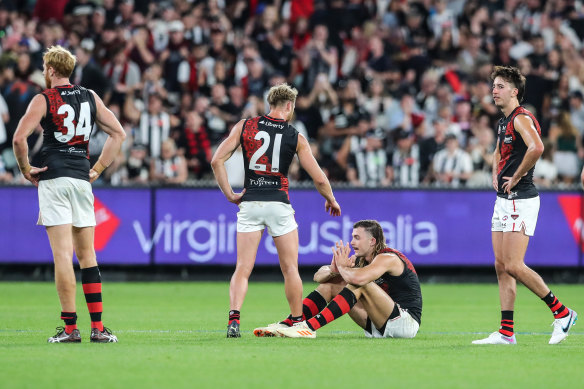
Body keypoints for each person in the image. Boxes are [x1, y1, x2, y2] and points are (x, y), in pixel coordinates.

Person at [12, 46, 126, 343]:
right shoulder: (90, 96)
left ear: (50, 70)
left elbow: (18, 138)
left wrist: (26, 169)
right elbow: (118, 134)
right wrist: (98, 168)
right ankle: (98, 329)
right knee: (88, 255)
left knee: (63, 257)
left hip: (53, 178)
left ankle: (71, 328)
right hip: (81, 180)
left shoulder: (44, 98)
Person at [211, 83, 341, 338]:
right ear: (290, 106)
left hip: (250, 203)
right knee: (290, 268)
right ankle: (296, 322)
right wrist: (331, 199)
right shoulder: (295, 136)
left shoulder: (245, 126)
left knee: (242, 268)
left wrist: (230, 194)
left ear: (270, 104)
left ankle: (234, 321)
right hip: (279, 204)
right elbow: (320, 179)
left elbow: (217, 160)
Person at [472, 66, 577, 345]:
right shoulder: (503, 121)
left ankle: (562, 313)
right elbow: (498, 150)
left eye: (500, 86)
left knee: (514, 265)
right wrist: (496, 172)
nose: (494, 90)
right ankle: (507, 332)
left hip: (522, 199)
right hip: (504, 200)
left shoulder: (521, 118)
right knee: (501, 265)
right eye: (493, 86)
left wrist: (516, 175)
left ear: (514, 91)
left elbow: (537, 147)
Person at [276, 220, 422, 339]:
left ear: (372, 241)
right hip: (379, 322)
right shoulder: (360, 259)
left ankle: (308, 327)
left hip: (404, 323)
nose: (352, 242)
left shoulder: (387, 258)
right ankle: (290, 323)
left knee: (360, 284)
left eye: (357, 238)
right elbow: (318, 277)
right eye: (352, 237)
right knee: (331, 285)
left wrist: (343, 268)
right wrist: (334, 271)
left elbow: (359, 279)